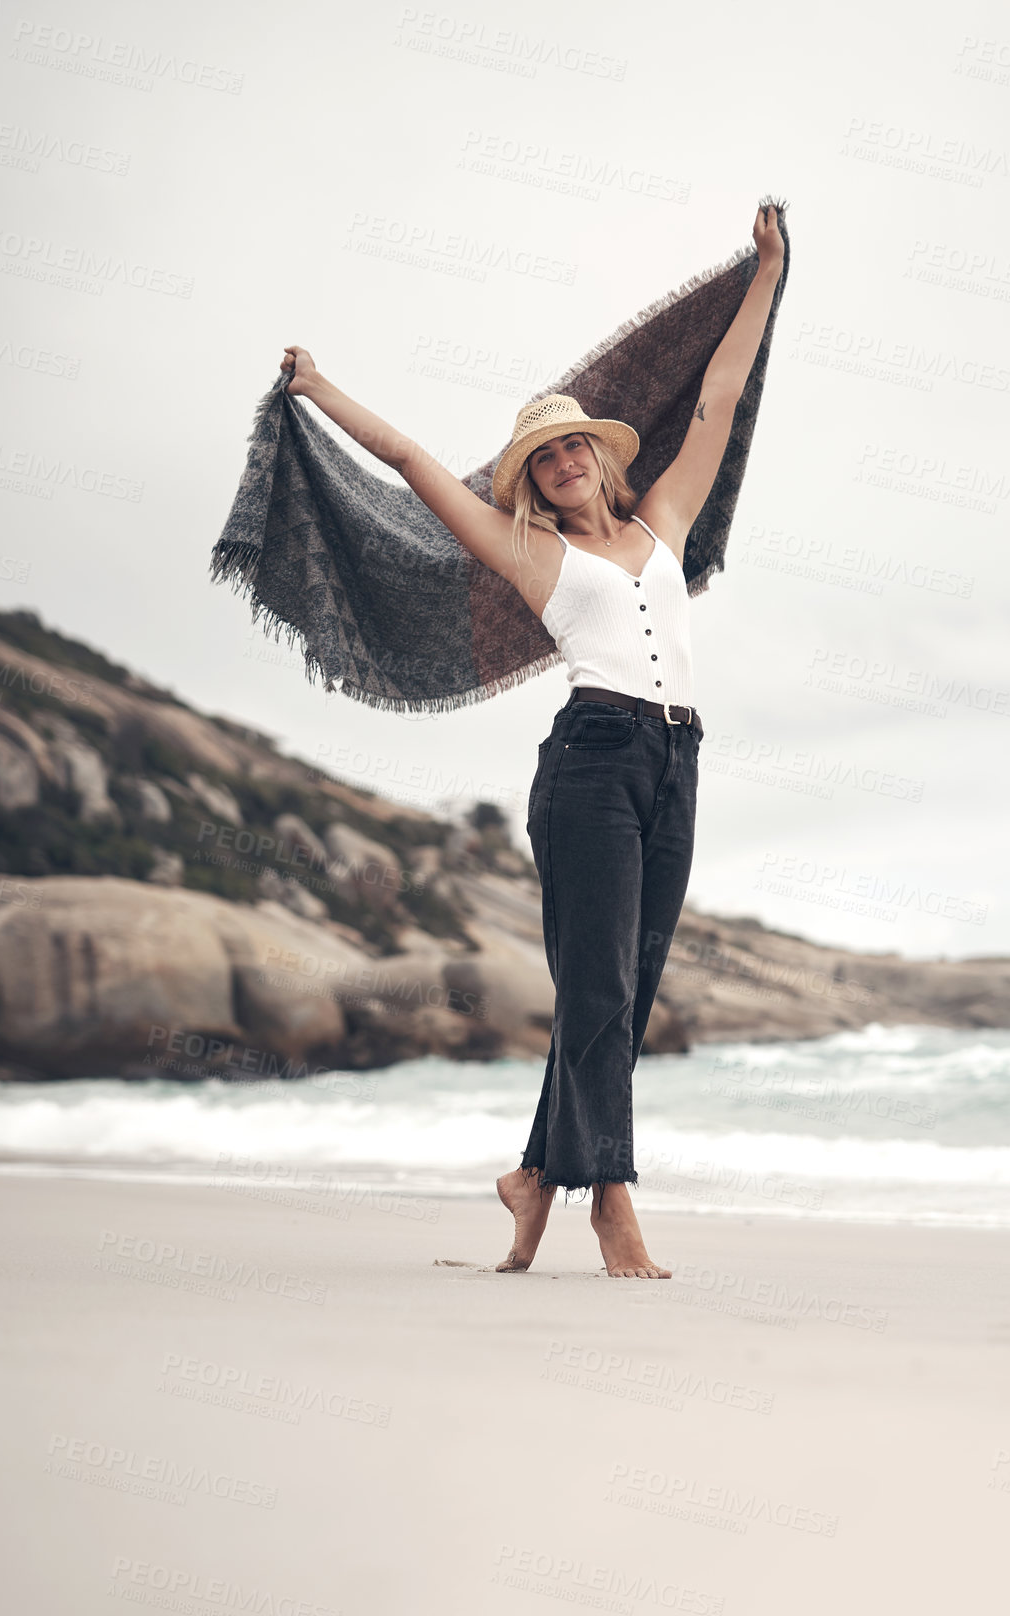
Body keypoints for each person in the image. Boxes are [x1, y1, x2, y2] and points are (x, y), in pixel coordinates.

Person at [279, 201, 786, 1280]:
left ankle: (531, 1178)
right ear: (531, 479)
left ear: (600, 460)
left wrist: (768, 272)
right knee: (597, 988)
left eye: (570, 446)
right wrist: (319, 391)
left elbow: (720, 400)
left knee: (628, 989)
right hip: (591, 766)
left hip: (676, 764)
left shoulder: (662, 523)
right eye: (541, 456)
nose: (559, 461)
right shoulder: (528, 555)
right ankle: (613, 1204)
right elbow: (415, 463)